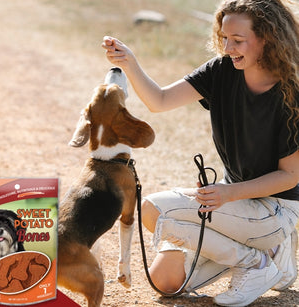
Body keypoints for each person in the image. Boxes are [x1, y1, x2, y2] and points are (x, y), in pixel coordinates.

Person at [102, 0, 299, 306]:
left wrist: (228, 194)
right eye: (224, 38)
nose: (228, 47)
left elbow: (291, 176)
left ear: (266, 38)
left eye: (237, 40)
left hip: (276, 209)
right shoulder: (221, 70)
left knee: (154, 209)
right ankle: (267, 255)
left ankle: (257, 263)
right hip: (233, 201)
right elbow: (161, 100)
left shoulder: (291, 92)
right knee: (165, 282)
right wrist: (130, 63)